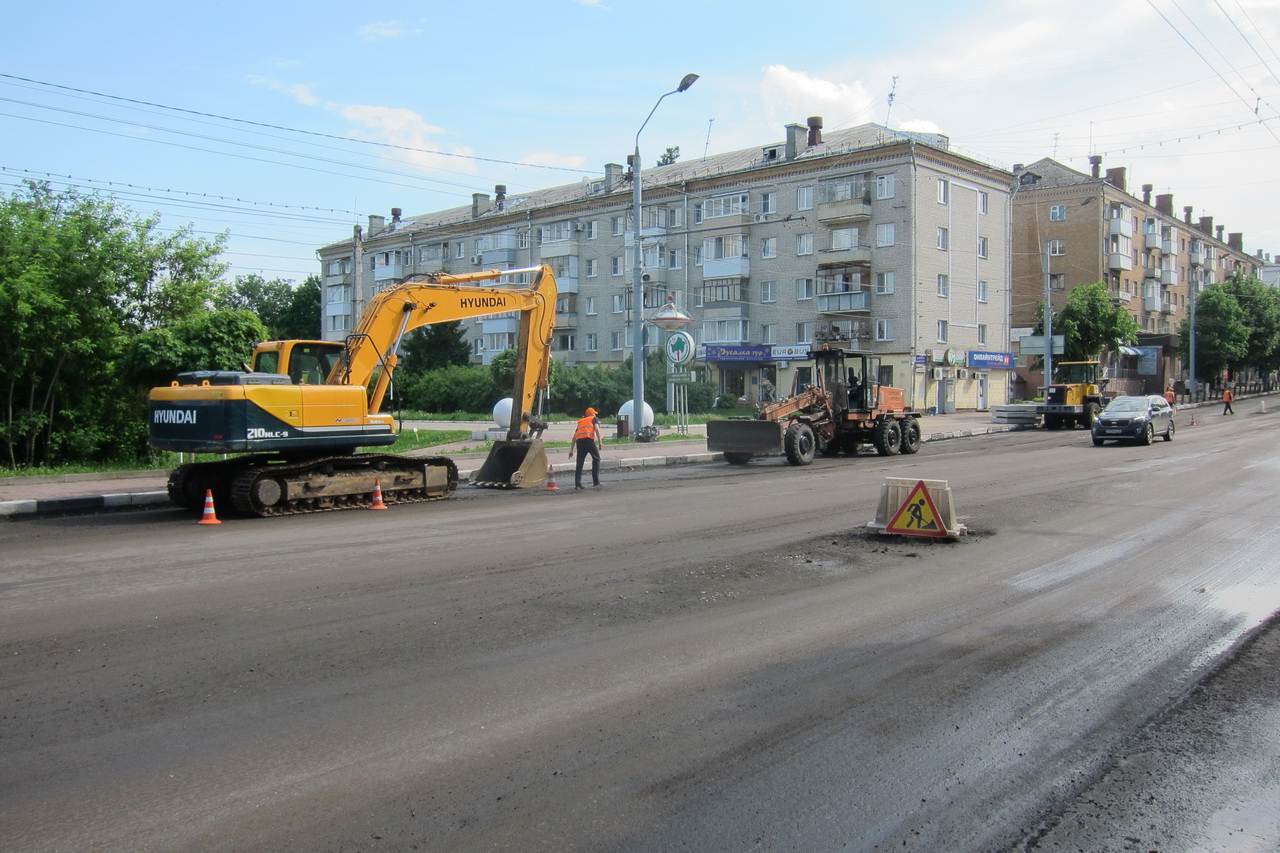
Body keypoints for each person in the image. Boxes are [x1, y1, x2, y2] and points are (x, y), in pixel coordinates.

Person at [569, 406, 603, 490]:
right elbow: (597, 430)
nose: (595, 415)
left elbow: (574, 436)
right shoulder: (593, 419)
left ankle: (577, 484)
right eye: (594, 414)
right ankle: (596, 482)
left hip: (579, 442)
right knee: (597, 459)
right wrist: (600, 442)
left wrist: (571, 450)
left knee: (579, 463)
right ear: (592, 414)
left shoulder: (581, 421)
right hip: (588, 440)